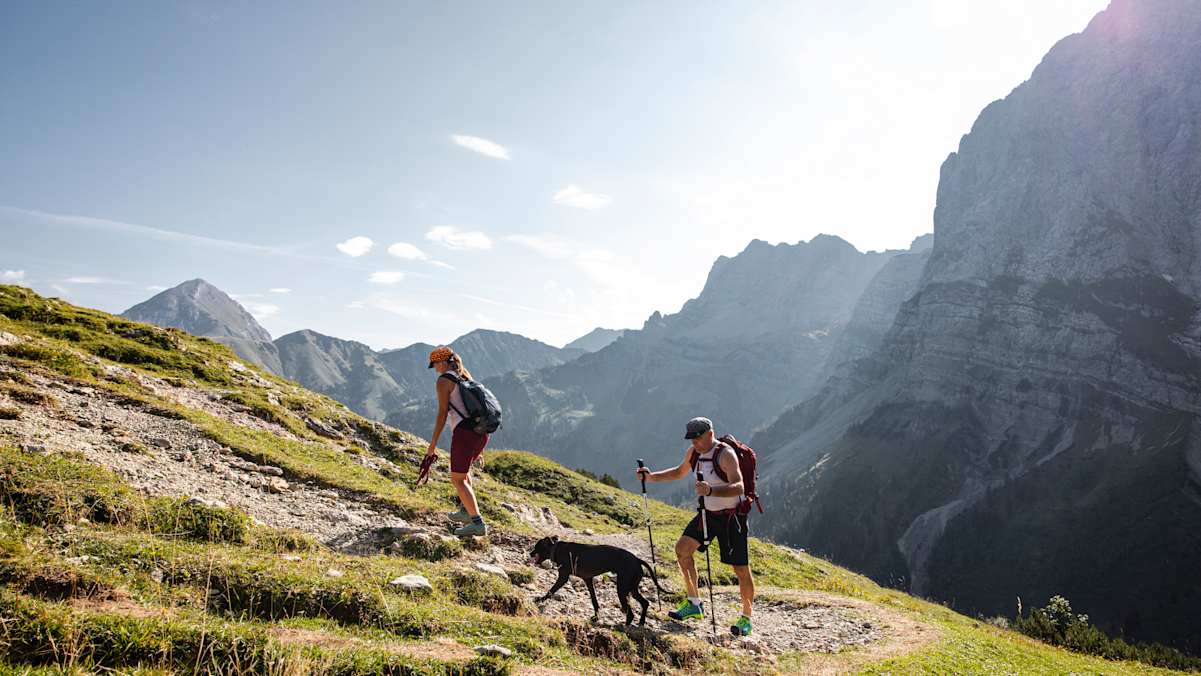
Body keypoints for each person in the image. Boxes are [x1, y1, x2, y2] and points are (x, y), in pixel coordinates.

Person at [636, 416, 755, 637]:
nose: (694, 443)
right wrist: (651, 478)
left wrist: (711, 491)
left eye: (697, 438)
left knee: (740, 569)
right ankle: (694, 604)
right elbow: (679, 472)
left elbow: (738, 487)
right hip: (707, 514)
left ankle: (746, 618)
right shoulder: (694, 453)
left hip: (732, 518)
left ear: (709, 434)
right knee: (682, 549)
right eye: (691, 439)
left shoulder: (725, 454)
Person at [424, 346, 490, 537]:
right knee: (464, 473)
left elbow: (443, 413)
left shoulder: (444, 380)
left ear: (443, 362)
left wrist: (433, 443)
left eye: (435, 364)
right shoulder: (465, 375)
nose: (435, 368)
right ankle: (465, 511)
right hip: (480, 433)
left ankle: (477, 523)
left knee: (457, 479)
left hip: (464, 434)